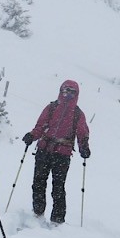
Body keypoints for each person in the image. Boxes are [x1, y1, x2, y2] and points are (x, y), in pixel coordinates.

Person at [22, 79, 90, 224]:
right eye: (66, 91)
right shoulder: (51, 107)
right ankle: (38, 212)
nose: (68, 95)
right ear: (61, 91)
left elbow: (82, 133)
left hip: (62, 154)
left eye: (72, 92)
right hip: (44, 150)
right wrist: (32, 136)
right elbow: (40, 126)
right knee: (38, 182)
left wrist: (84, 147)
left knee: (58, 187)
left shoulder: (77, 114)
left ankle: (58, 220)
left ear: (76, 94)